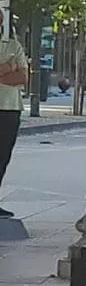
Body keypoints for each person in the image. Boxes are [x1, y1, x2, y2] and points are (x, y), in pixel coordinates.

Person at [0, 25, 22, 219]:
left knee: (2, 157)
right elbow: (15, 72)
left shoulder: (13, 46)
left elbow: (23, 76)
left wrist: (14, 70)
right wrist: (8, 67)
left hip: (10, 108)